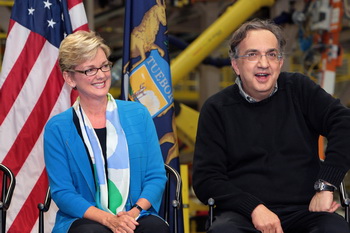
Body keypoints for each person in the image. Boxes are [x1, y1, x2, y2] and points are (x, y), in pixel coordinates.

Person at [192, 18, 350, 233]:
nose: (264, 63)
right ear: (236, 65)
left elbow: (345, 124)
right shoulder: (217, 109)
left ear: (280, 62)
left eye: (271, 54)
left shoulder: (299, 90)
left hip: (305, 210)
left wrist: (326, 185)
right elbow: (206, 180)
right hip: (242, 216)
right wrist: (254, 208)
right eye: (252, 54)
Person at [44, 30, 170, 233]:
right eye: (90, 70)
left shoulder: (138, 114)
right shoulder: (57, 128)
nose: (101, 75)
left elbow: (155, 176)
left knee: (155, 229)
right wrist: (107, 219)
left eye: (104, 66)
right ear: (69, 78)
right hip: (85, 217)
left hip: (135, 214)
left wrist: (133, 213)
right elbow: (63, 192)